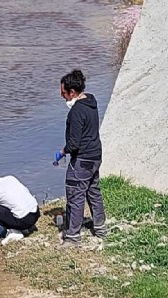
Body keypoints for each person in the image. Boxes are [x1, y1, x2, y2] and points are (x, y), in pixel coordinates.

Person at [56, 69, 107, 247]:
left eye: (63, 93)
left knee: (75, 194)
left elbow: (74, 143)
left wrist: (63, 151)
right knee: (93, 191)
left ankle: (72, 237)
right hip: (95, 156)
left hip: (82, 159)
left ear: (72, 92)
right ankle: (100, 227)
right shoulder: (91, 102)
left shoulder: (76, 111)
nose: (63, 97)